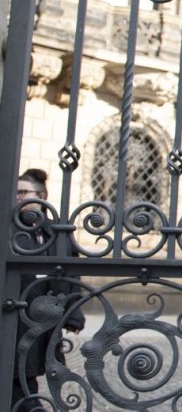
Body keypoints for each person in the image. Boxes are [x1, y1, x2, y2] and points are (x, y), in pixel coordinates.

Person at [12, 169, 85, 412]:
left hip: (45, 314)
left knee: (31, 366)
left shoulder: (57, 231)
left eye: (23, 191)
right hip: (16, 312)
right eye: (15, 192)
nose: (17, 196)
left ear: (41, 196)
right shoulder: (10, 227)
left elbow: (72, 273)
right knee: (18, 369)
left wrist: (74, 314)